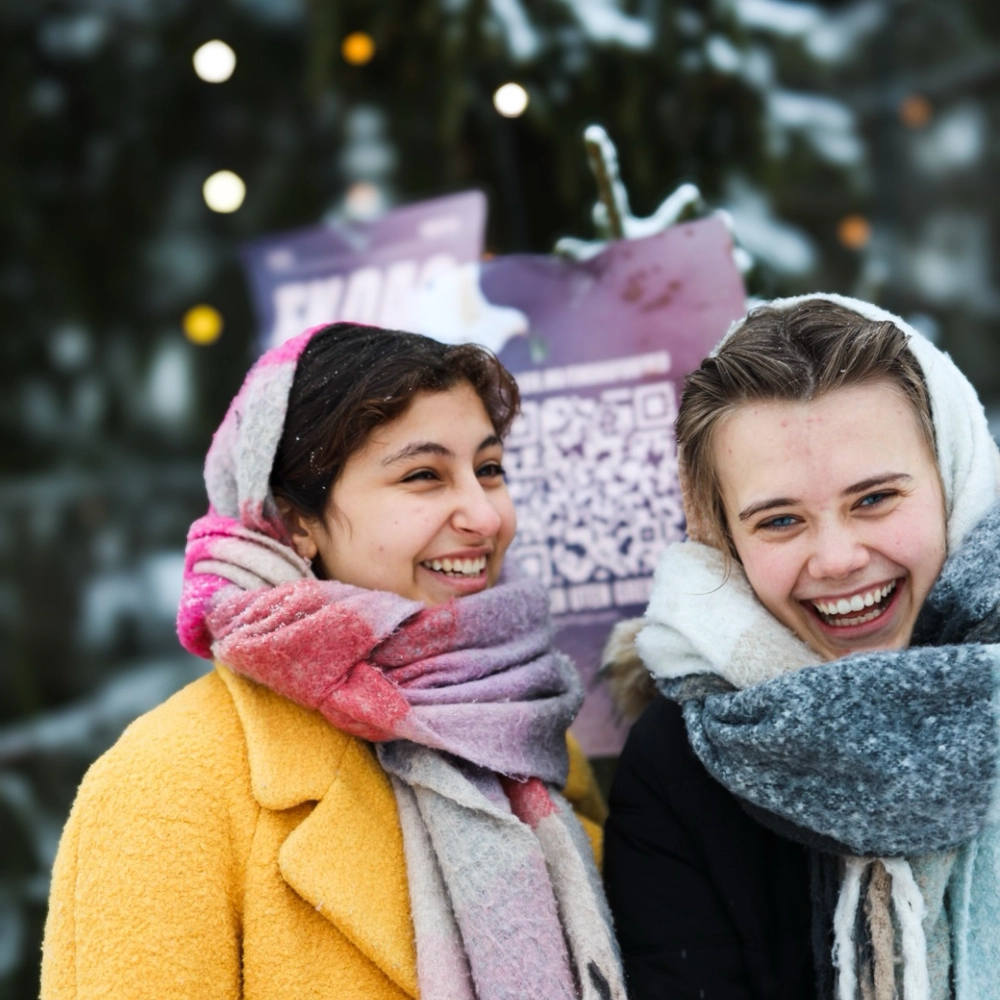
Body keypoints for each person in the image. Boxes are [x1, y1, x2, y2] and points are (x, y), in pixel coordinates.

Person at [41, 322, 626, 1000]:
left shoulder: (526, 732)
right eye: (424, 475)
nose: (485, 516)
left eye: (489, 469)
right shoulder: (167, 786)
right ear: (295, 523)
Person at [603, 293, 1000, 1000]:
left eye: (874, 498)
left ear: (955, 481)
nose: (838, 559)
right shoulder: (677, 767)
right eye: (781, 520)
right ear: (726, 541)